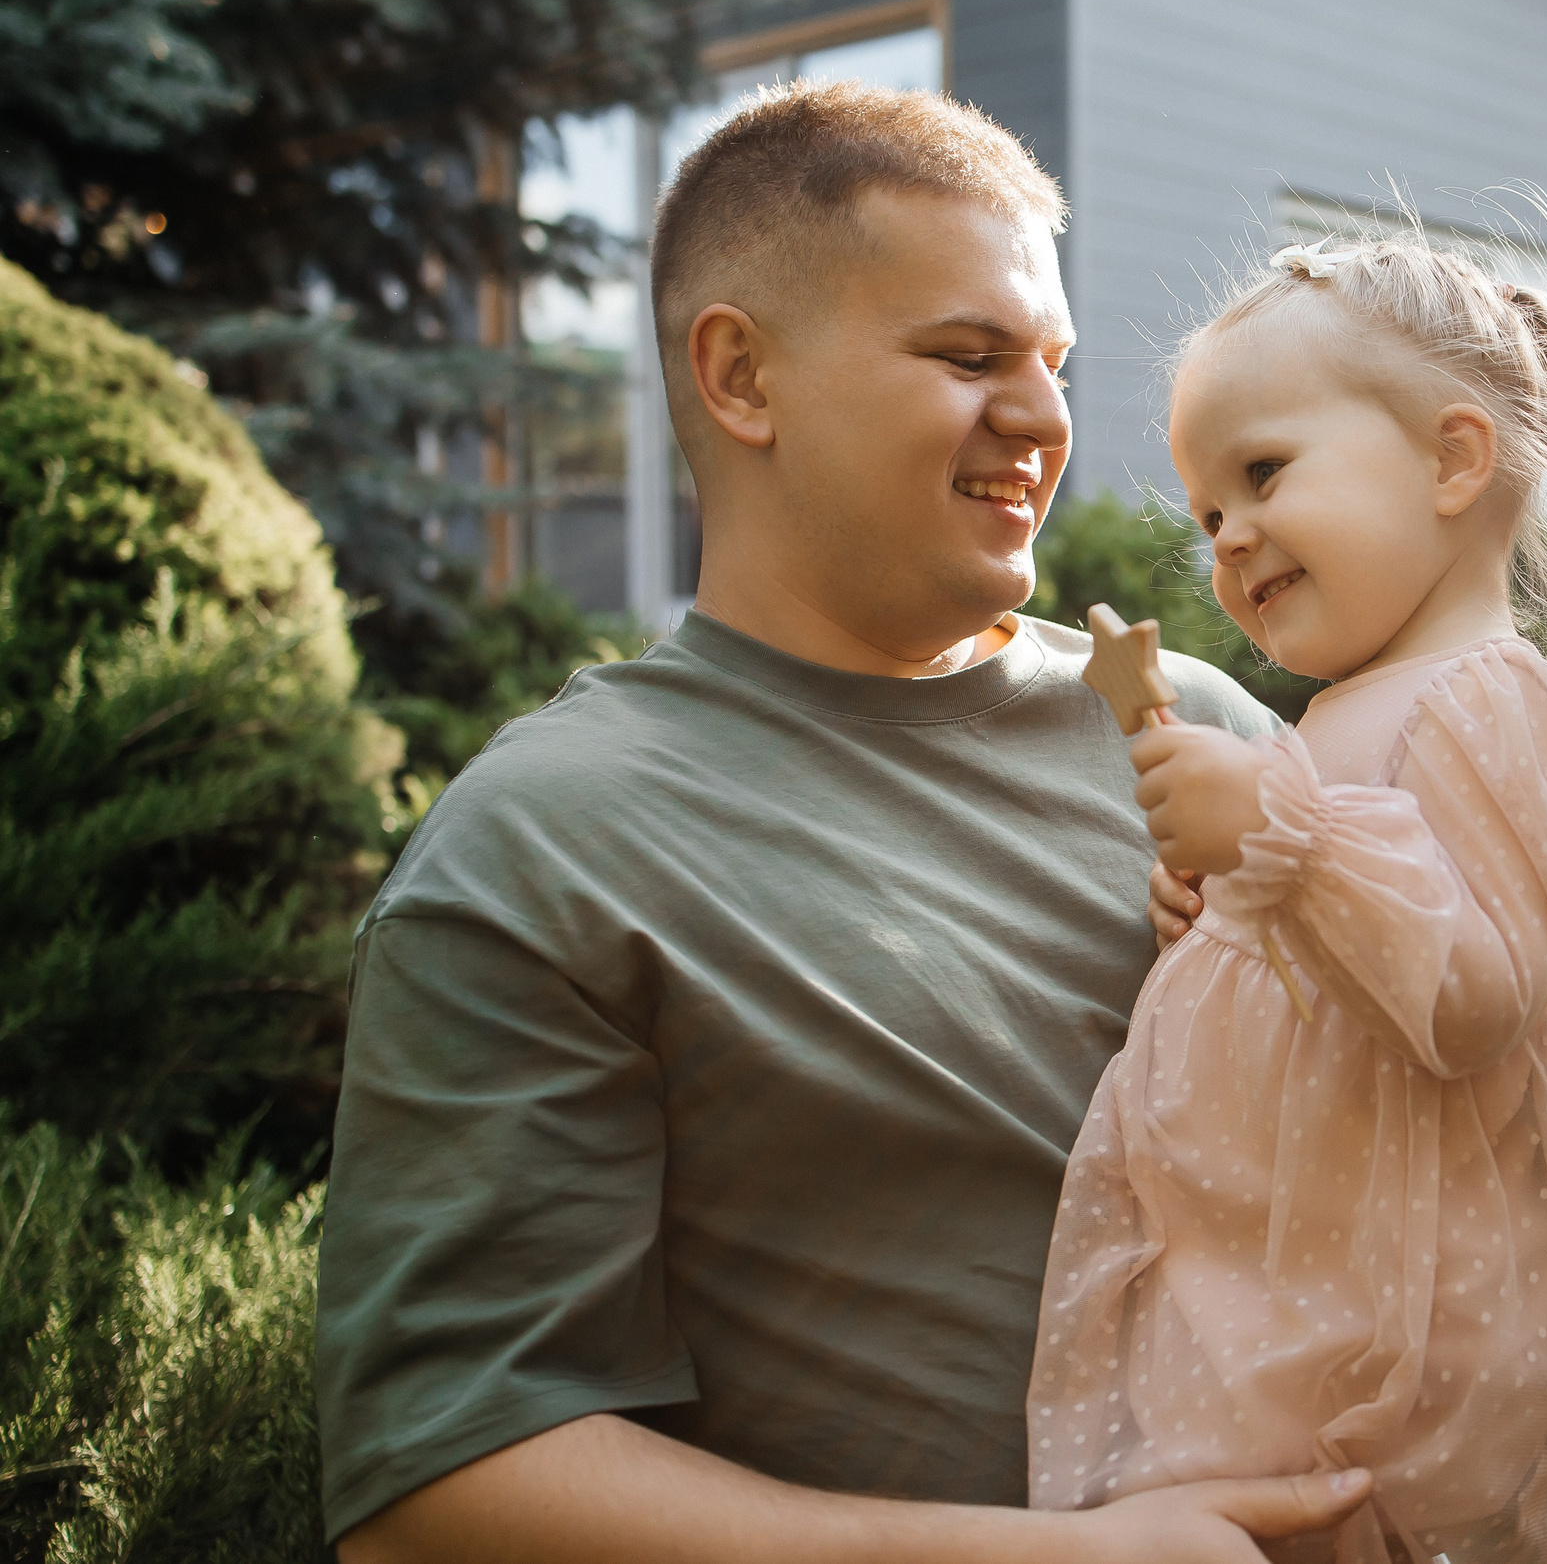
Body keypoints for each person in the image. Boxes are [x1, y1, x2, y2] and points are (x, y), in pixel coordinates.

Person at [317, 81, 1380, 1563]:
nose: (1047, 417)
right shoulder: (547, 846)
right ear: (741, 377)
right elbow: (443, 1486)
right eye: (968, 355)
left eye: (1057, 362)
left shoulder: (1196, 730)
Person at [1036, 237, 1547, 1564]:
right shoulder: (1332, 716)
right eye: (1204, 513)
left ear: (1452, 461)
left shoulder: (1497, 696)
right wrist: (1224, 912)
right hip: (1288, 1287)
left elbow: (1480, 998)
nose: (1228, 535)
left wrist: (1282, 837)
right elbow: (1340, 952)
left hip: (1413, 1316)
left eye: (1263, 474)